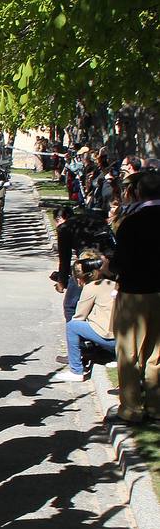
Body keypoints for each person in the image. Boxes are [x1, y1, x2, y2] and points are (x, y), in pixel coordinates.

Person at [111, 168, 160, 421]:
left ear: (139, 192)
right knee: (157, 354)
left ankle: (131, 408)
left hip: (135, 292)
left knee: (129, 352)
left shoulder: (133, 223)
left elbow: (121, 261)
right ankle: (156, 405)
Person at [59, 250, 116, 380]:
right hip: (124, 338)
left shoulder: (91, 287)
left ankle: (76, 370)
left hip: (110, 339)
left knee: (73, 326)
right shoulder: (112, 283)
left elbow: (79, 316)